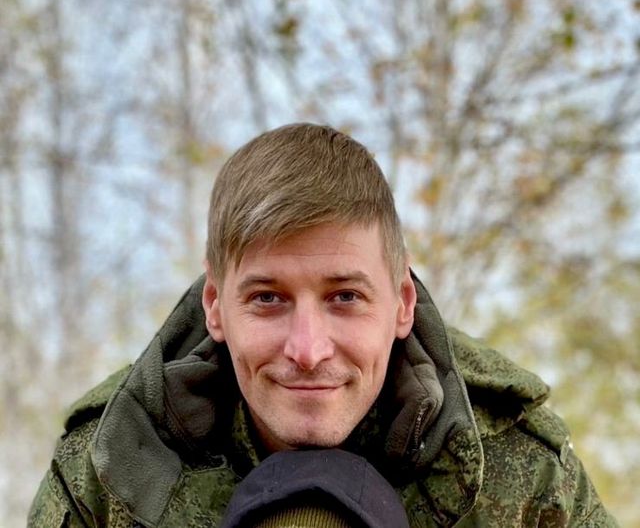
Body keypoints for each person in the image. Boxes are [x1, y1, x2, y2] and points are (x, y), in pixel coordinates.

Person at [29, 123, 618, 527]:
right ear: (215, 306)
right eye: (267, 298)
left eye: (345, 297)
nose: (308, 350)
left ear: (402, 303)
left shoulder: (521, 469)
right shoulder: (112, 464)